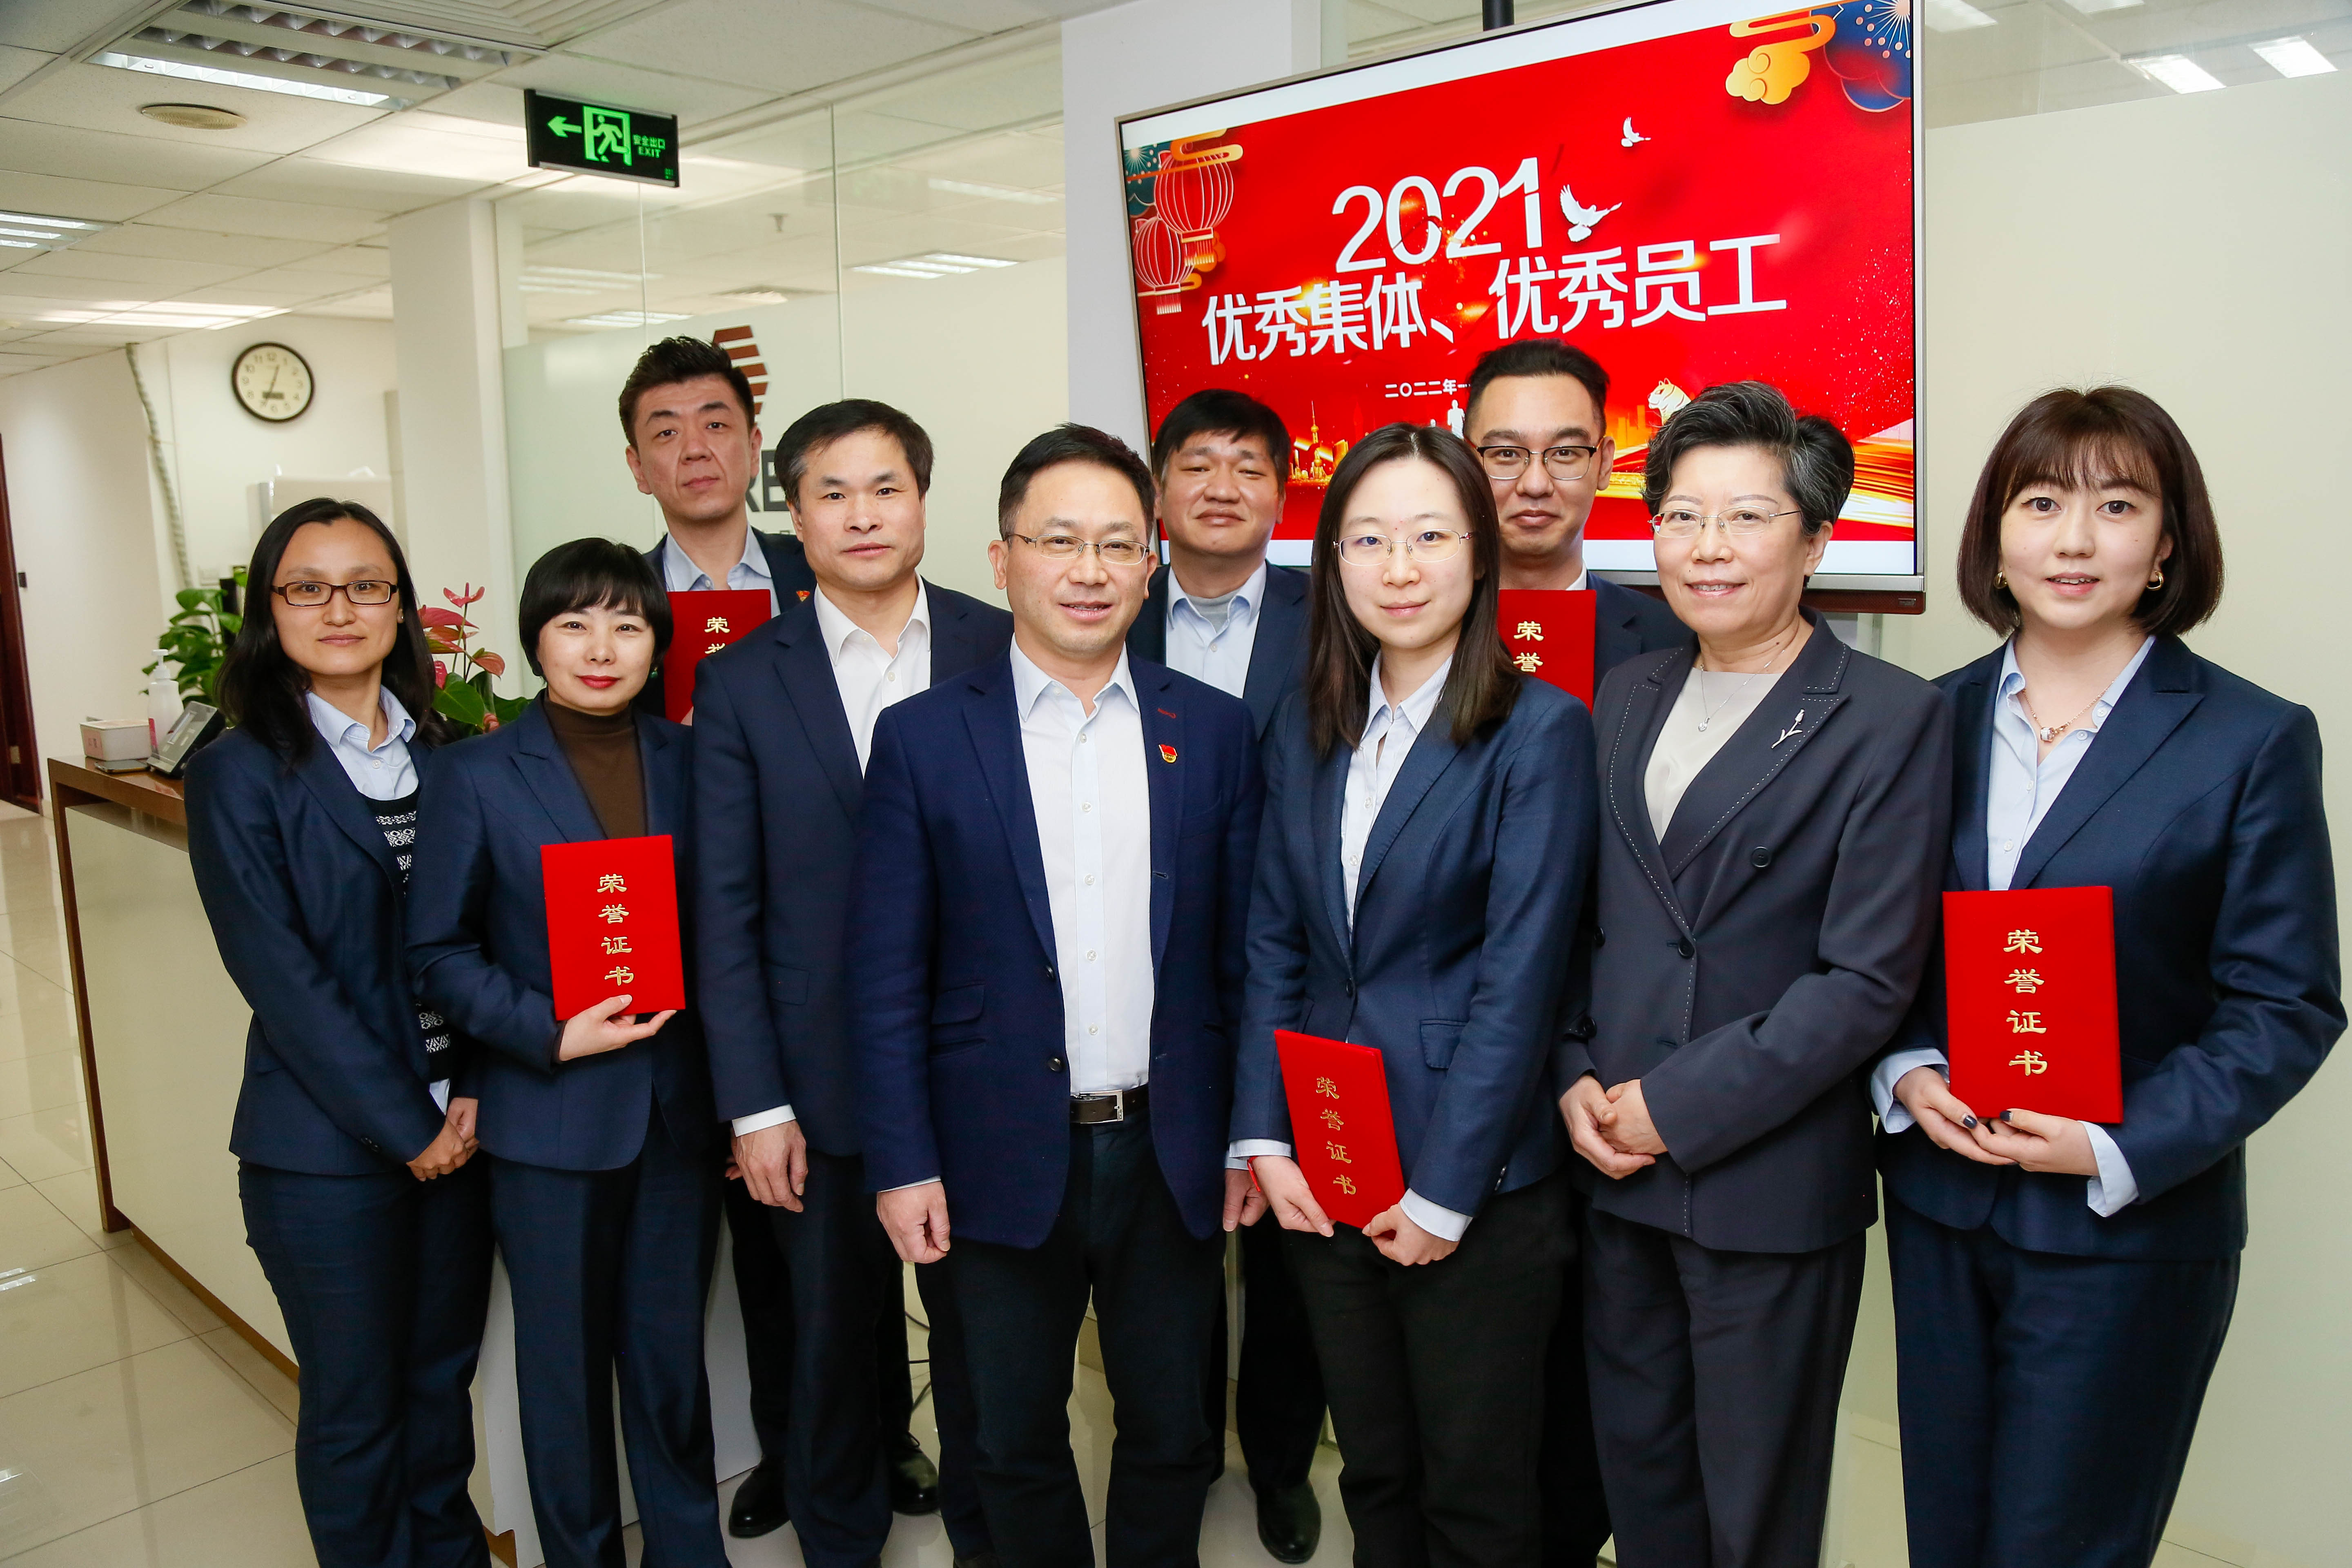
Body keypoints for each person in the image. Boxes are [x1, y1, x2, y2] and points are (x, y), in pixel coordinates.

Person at [1873, 388, 2342, 1568]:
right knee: (1947, 1537)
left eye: (2116, 506)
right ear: (1995, 535)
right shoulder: (1922, 720)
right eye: (2040, 504)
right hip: (1941, 1206)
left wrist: (2108, 1140)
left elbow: (2285, 1002)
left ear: (2168, 541)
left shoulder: (2248, 737)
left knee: (2065, 1546)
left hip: (2127, 1229)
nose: (2073, 539)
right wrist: (1907, 1066)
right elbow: (1872, 947)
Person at [851, 424, 1263, 1568]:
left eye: (1117, 544)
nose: (1088, 570)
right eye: (1058, 541)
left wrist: (1251, 1130)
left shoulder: (1213, 732)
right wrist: (901, 1160)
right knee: (1010, 1434)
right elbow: (883, 976)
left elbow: (1244, 961)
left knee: (1173, 1428)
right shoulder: (923, 739)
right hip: (989, 1148)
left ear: (1151, 564)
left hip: (1169, 1148)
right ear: (1002, 559)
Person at [1564, 382, 1952, 1568]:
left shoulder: (1886, 715)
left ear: (1816, 539)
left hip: (1762, 1178)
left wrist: (1672, 1106)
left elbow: (1865, 978)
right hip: (1611, 1157)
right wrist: (1573, 1073)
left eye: (1745, 517)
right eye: (1680, 517)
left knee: (1755, 1507)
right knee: (1642, 1481)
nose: (1707, 547)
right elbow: (1583, 919)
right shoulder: (1624, 692)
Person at [1232, 423, 1594, 1568]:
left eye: (1429, 536)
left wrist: (1444, 1195)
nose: (1398, 567)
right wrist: (1264, 1136)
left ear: (1478, 554)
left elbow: (1518, 986)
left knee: (1475, 1496)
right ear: (1331, 560)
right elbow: (1276, 944)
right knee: (1375, 1470)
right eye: (1368, 539)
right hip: (1328, 1160)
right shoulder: (1306, 725)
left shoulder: (1539, 731)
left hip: (1469, 1183)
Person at [694, 397, 1009, 1568]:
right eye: (832, 493)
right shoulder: (741, 681)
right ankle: (840, 1540)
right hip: (817, 1076)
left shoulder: (1001, 642)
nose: (863, 514)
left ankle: (987, 1538)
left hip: (984, 1065)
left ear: (923, 500)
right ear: (794, 513)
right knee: (828, 1343)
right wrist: (756, 1104)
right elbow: (724, 911)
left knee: (988, 1347)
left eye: (887, 488)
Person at [406, 540, 726, 1568]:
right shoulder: (474, 775)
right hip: (547, 1118)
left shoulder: (694, 760)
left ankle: (690, 1554)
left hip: (676, 1114)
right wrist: (548, 1029)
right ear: (536, 640)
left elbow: (728, 928)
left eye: (627, 626)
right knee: (564, 1374)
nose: (600, 648)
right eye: (574, 624)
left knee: (670, 1366)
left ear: (656, 646)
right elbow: (437, 952)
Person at [187, 498, 492, 1568]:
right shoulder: (237, 772)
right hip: (326, 1153)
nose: (340, 609)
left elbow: (488, 942)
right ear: (270, 611)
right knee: (358, 1414)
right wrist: (409, 1126)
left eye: (366, 585)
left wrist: (473, 1091)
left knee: (439, 1394)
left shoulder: (451, 755)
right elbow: (283, 979)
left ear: (400, 606)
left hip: (463, 1131)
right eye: (308, 588)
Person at [1463, 336, 1686, 1568]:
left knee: (1606, 1368)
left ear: (1607, 462)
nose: (1532, 481)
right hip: (1457, 1060)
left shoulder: (1672, 631)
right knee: (1471, 1381)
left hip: (1621, 1064)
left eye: (1564, 451)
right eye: (1502, 452)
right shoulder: (1401, 617)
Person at [1124, 387, 1323, 1564]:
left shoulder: (1333, 613)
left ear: (1281, 494)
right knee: (1176, 1228)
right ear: (1158, 489)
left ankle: (1282, 1460)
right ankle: (1184, 1444)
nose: (1220, 487)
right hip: (1158, 977)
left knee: (1293, 1240)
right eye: (1196, 463)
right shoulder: (1107, 604)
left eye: (1248, 466)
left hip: (1301, 962)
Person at [619, 334, 818, 717]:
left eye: (715, 424)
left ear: (754, 449)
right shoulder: (617, 596)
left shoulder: (821, 572)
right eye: (667, 433)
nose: (695, 450)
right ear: (638, 467)